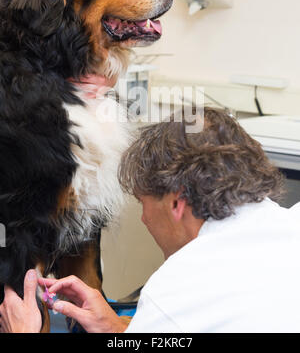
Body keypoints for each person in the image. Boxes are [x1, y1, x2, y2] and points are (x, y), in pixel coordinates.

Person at [1, 107, 300, 333]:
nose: (143, 219)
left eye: (143, 204)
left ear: (176, 203)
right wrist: (117, 328)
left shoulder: (177, 294)